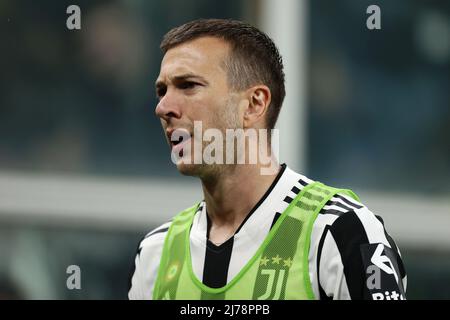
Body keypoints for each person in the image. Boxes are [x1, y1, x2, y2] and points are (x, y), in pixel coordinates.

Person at [128, 19, 406, 300]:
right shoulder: (156, 252)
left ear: (254, 104)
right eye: (161, 91)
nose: (163, 107)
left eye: (188, 85)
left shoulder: (341, 233)